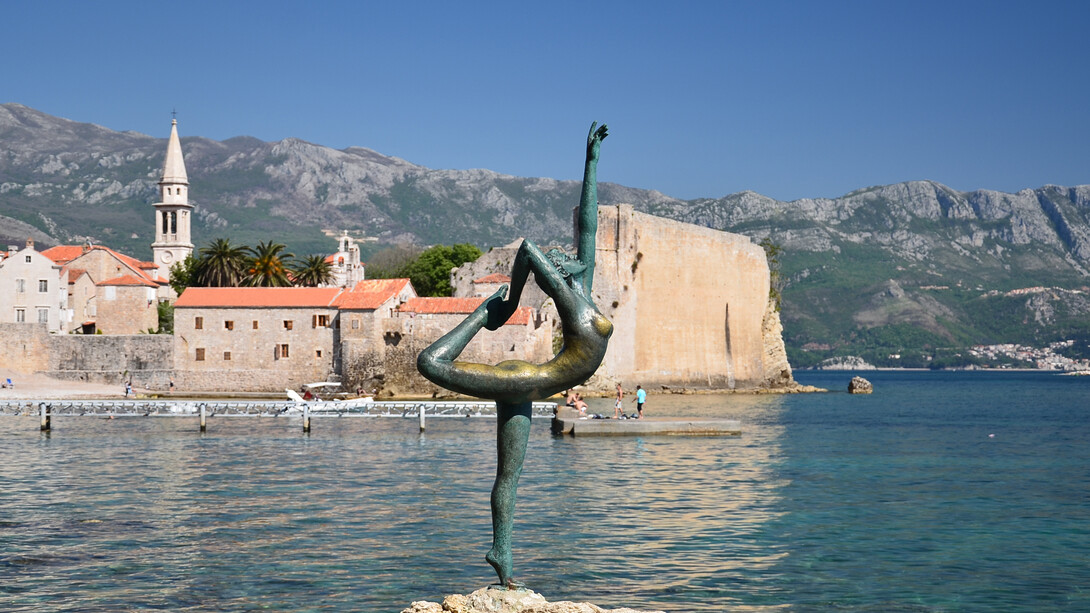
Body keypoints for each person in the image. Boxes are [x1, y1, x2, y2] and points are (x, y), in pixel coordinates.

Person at [417, 122, 611, 589]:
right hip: (525, 380)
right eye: (561, 257)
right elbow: (527, 249)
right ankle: (481, 314)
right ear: (558, 271)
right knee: (429, 363)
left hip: (530, 383)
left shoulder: (580, 290)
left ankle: (501, 553)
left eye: (567, 254)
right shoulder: (566, 293)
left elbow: (588, 224)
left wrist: (591, 163)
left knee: (510, 477)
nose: (567, 253)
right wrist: (503, 307)